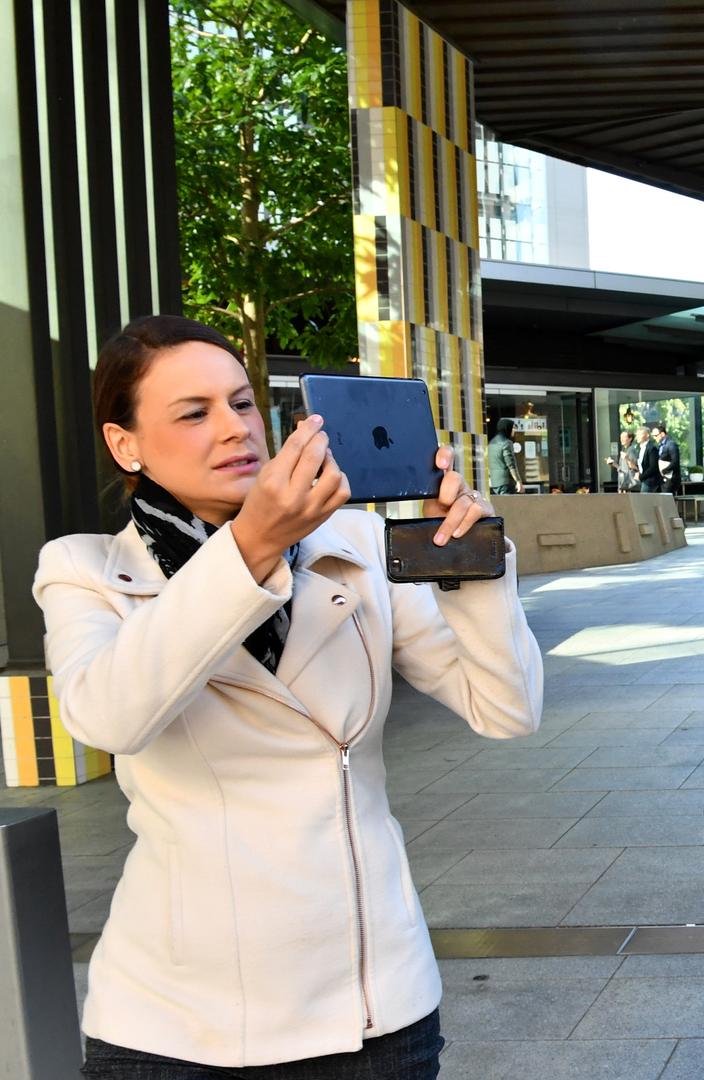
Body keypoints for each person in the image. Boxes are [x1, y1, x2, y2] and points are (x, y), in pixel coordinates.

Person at [36, 316, 545, 1078]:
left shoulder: (357, 545)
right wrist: (253, 547)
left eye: (242, 403)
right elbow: (108, 713)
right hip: (174, 1026)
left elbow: (506, 711)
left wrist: (476, 566)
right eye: (193, 412)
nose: (233, 429)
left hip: (371, 1011)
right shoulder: (86, 571)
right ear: (126, 444)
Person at [486, 417, 522, 495]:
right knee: (508, 505)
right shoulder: (507, 443)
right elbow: (511, 464)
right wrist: (518, 481)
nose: (514, 431)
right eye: (513, 428)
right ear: (507, 428)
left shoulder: (491, 443)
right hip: (506, 482)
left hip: (494, 482)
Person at [648, 421, 681, 497]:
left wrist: (665, 470)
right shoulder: (661, 446)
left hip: (670, 478)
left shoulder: (671, 445)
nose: (654, 438)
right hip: (662, 478)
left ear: (662, 434)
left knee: (667, 499)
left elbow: (675, 461)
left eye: (656, 435)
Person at [638, 422, 663, 493]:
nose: (638, 436)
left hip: (650, 481)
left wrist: (641, 476)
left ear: (647, 435)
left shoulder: (651, 448)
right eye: (637, 435)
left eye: (640, 434)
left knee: (644, 502)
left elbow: (653, 467)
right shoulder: (641, 448)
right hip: (644, 480)